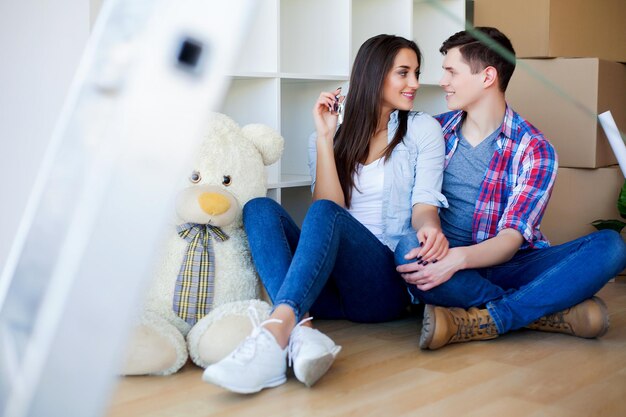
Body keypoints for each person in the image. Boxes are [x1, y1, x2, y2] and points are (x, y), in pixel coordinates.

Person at [202, 34, 449, 393]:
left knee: (323, 213)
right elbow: (331, 203)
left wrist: (431, 229)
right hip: (323, 287)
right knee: (258, 208)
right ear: (375, 74)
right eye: (404, 73)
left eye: (416, 73)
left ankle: (276, 332)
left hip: (380, 288)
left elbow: (423, 207)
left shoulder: (423, 129)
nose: (414, 83)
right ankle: (302, 329)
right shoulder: (332, 130)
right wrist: (324, 138)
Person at [395, 27, 626, 350]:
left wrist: (458, 260)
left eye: (451, 71)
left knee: (611, 246)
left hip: (512, 266)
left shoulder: (535, 149)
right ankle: (545, 312)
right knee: (408, 248)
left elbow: (508, 241)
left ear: (487, 76)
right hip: (445, 263)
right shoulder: (433, 130)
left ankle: (488, 318)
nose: (442, 81)